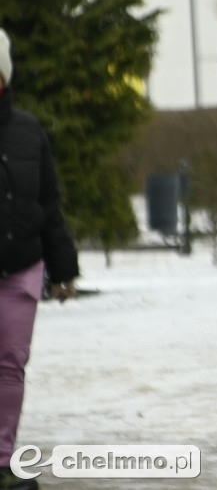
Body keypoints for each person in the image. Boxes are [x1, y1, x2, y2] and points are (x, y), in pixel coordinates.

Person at [0, 29, 78, 490]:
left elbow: (49, 203)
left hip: (21, 266)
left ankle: (3, 458)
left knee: (9, 363)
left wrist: (63, 267)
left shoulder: (29, 131)